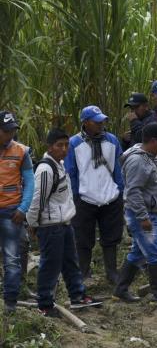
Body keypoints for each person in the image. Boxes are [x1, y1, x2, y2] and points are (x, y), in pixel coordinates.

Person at [27, 129, 99, 316]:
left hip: (64, 223)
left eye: (66, 145)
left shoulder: (58, 164)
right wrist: (33, 224)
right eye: (59, 145)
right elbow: (38, 199)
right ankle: (45, 304)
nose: (64, 149)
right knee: (50, 265)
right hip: (51, 226)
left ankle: (78, 295)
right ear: (49, 146)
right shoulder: (45, 169)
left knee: (70, 262)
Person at [66, 105, 125, 286]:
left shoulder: (112, 140)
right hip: (85, 199)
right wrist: (76, 195)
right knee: (83, 239)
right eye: (96, 121)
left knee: (111, 238)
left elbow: (118, 167)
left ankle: (112, 272)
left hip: (111, 197)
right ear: (85, 122)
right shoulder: (74, 143)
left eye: (102, 121)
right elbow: (71, 171)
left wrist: (119, 189)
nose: (101, 124)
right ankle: (84, 273)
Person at [114, 123, 157, 303]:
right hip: (140, 214)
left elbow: (151, 185)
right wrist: (143, 217)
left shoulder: (149, 156)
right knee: (156, 253)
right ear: (154, 141)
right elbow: (133, 191)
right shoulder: (138, 161)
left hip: (148, 211)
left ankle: (121, 289)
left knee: (138, 253)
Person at [0, 111, 34, 313]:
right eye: (6, 131)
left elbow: (30, 182)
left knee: (12, 259)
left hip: (12, 213)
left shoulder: (21, 151)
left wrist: (23, 208)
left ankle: (10, 303)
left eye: (13, 130)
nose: (10, 134)